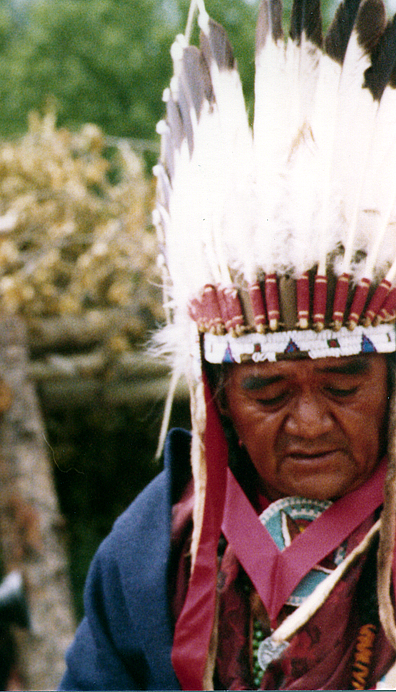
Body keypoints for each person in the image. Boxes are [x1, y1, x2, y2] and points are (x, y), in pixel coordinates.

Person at [61, 0, 396, 688]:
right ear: (217, 397)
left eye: (343, 384)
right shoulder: (152, 556)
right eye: (268, 391)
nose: (308, 424)